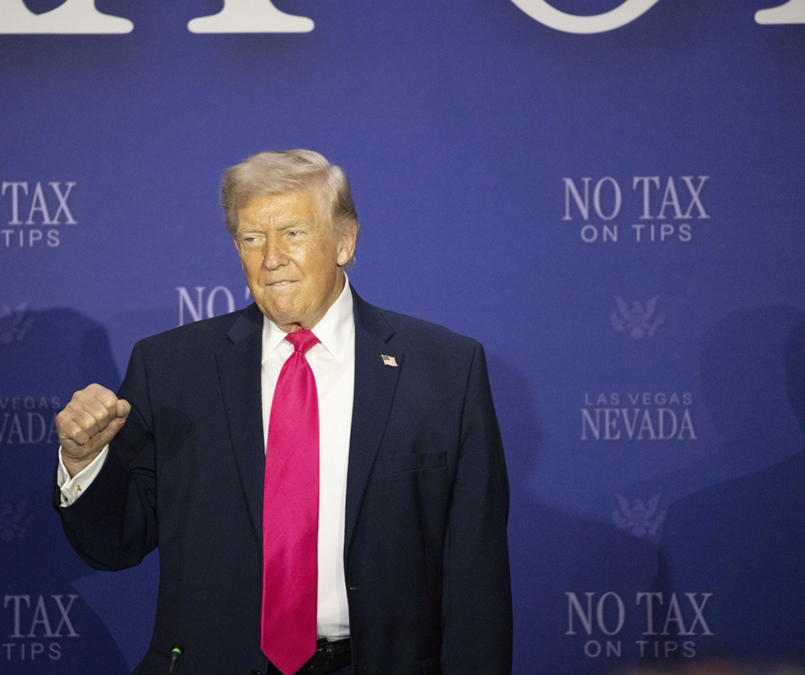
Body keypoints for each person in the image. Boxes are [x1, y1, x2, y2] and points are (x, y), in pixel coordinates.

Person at [53, 149, 512, 675]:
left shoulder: (445, 369)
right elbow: (115, 543)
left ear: (345, 242)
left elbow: (477, 576)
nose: (272, 258)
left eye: (293, 233)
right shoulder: (170, 368)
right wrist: (83, 462)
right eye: (252, 238)